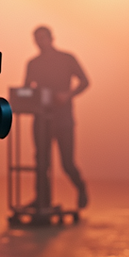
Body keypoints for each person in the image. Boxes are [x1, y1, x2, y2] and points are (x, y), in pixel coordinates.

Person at [24, 26, 90, 210]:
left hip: (63, 118)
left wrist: (68, 95)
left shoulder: (67, 58)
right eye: (36, 39)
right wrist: (28, 96)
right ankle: (42, 200)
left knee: (67, 162)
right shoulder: (33, 63)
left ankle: (81, 187)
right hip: (41, 116)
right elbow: (26, 88)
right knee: (41, 162)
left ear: (51, 38)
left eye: (42, 38)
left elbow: (85, 81)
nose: (40, 42)